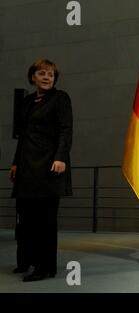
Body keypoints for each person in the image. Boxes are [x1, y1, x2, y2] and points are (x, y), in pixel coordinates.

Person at [9, 59, 73, 282]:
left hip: (48, 167)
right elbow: (23, 136)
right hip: (26, 168)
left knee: (44, 221)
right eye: (42, 73)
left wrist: (61, 157)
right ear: (33, 77)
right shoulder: (27, 102)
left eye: (51, 75)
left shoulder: (60, 98)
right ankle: (26, 260)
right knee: (25, 219)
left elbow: (66, 130)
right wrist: (16, 162)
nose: (47, 77)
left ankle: (46, 267)